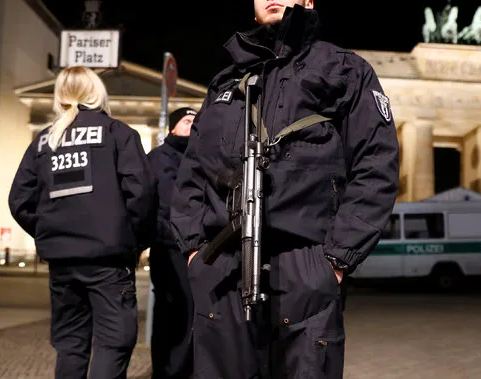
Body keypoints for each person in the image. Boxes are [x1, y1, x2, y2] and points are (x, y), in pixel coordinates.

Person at [170, 1, 399, 378]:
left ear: (308, 0)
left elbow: (376, 165)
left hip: (303, 265)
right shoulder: (224, 83)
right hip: (220, 269)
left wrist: (334, 262)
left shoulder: (345, 70)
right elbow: (192, 171)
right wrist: (195, 252)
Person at [8, 65, 157, 379]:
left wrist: (51, 231)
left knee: (71, 345)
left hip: (62, 262)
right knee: (113, 342)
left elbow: (20, 201)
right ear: (97, 92)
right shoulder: (118, 133)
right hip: (108, 260)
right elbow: (142, 194)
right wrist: (132, 241)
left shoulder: (44, 142)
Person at [147, 107, 197, 379]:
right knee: (171, 312)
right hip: (169, 248)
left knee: (190, 312)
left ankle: (185, 369)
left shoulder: (199, 157)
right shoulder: (158, 158)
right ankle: (167, 371)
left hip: (195, 249)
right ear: (172, 128)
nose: (192, 125)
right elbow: (156, 205)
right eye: (187, 120)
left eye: (195, 121)